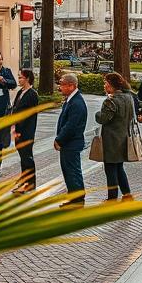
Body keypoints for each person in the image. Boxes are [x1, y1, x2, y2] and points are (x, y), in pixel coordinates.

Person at [94, 73, 137, 201]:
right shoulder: (128, 97)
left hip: (111, 140)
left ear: (111, 85)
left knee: (110, 169)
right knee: (119, 167)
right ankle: (127, 193)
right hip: (123, 137)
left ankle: (112, 198)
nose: (104, 86)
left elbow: (103, 118)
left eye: (106, 83)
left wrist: (97, 114)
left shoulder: (110, 100)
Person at [53, 72, 87, 203]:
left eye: (62, 84)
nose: (59, 87)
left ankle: (77, 198)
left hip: (71, 143)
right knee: (69, 170)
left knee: (72, 170)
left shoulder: (77, 102)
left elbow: (71, 125)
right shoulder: (72, 100)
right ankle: (74, 195)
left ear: (71, 86)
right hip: (69, 143)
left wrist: (59, 139)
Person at [9, 68, 40, 194]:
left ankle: (30, 183)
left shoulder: (32, 94)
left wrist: (19, 130)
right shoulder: (21, 91)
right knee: (23, 158)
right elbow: (15, 109)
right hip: (18, 131)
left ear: (27, 78)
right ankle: (24, 180)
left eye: (21, 77)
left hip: (26, 132)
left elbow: (27, 116)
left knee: (27, 157)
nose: (19, 79)